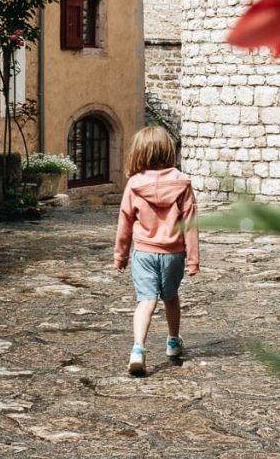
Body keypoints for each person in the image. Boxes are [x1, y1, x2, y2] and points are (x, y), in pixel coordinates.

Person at [114, 125, 199, 376]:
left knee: (146, 300)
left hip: (144, 252)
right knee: (170, 297)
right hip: (173, 253)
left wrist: (120, 255)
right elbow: (191, 224)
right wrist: (193, 260)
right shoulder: (182, 183)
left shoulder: (134, 185)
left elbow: (125, 222)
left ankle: (138, 348)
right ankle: (173, 341)